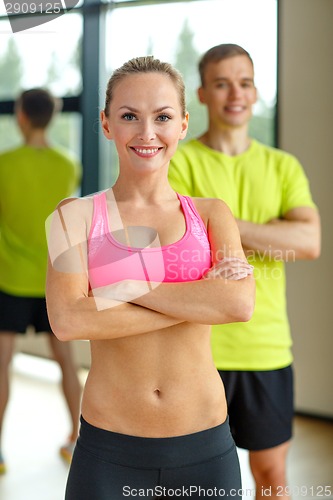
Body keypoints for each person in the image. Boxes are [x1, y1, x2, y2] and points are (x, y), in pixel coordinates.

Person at [45, 56, 255, 500]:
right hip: (108, 449)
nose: (146, 133)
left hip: (206, 447)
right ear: (105, 124)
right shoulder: (74, 217)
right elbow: (68, 321)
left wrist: (123, 288)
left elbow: (238, 305)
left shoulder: (212, 214)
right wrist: (199, 301)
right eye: (128, 117)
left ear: (182, 124)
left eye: (162, 117)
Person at [168, 44, 321, 499]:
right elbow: (182, 248)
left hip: (266, 348)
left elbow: (309, 243)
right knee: (194, 483)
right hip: (196, 349)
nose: (236, 93)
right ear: (202, 93)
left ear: (255, 92)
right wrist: (273, 232)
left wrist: (221, 222)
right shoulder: (181, 161)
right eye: (222, 83)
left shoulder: (282, 166)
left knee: (272, 477)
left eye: (245, 82)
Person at [0, 88, 82, 474]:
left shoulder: (4, 163)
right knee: (66, 362)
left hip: (10, 279)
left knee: (1, 364)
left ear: (21, 116)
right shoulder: (69, 164)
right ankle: (76, 440)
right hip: (55, 279)